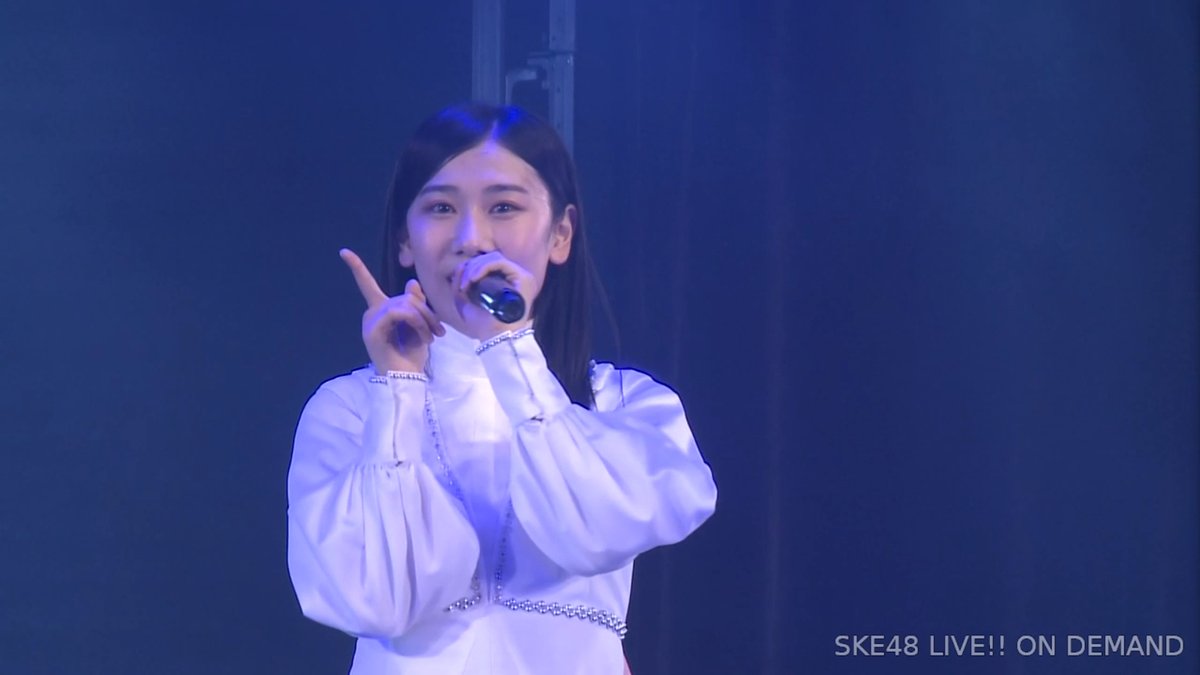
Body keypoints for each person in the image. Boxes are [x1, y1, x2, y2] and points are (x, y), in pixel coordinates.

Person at [286, 103, 717, 674]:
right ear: (405, 241)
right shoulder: (348, 408)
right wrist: (398, 387)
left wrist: (509, 348)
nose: (472, 238)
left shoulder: (625, 401)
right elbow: (375, 599)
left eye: (504, 207)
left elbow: (595, 532)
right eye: (441, 208)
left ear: (560, 234)